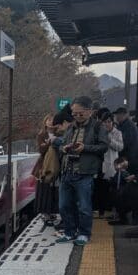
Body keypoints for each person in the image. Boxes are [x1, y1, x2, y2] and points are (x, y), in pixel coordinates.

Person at [52, 96, 108, 245]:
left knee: (84, 206)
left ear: (89, 111)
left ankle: (84, 233)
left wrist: (85, 148)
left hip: (84, 172)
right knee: (64, 205)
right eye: (74, 113)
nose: (76, 116)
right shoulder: (70, 127)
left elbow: (104, 147)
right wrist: (63, 148)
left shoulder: (98, 127)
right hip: (67, 171)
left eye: (80, 113)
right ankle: (70, 231)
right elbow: (62, 143)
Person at [94, 109, 123, 218]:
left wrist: (109, 139)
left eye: (109, 121)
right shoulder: (98, 132)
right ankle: (100, 211)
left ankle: (109, 211)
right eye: (104, 122)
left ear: (112, 122)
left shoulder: (117, 133)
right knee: (99, 188)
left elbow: (120, 147)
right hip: (99, 164)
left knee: (110, 189)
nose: (107, 124)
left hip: (111, 164)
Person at [33, 113, 59, 225]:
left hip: (55, 163)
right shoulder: (42, 134)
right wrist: (48, 144)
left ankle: (52, 211)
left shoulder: (59, 133)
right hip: (44, 165)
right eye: (48, 120)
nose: (50, 122)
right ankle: (45, 213)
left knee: (54, 189)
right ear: (45, 122)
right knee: (44, 188)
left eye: (52, 120)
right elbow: (40, 150)